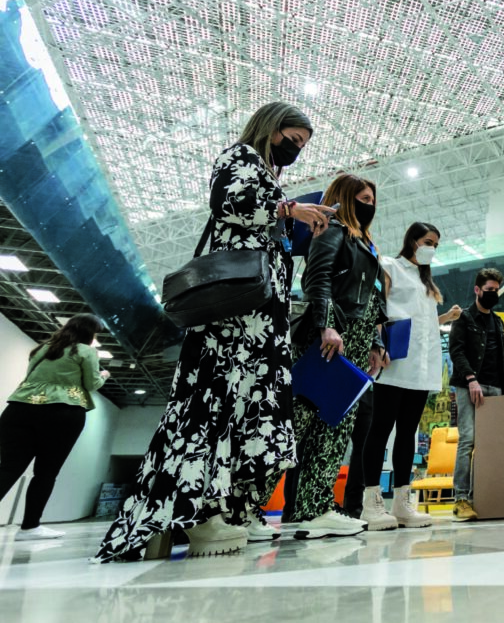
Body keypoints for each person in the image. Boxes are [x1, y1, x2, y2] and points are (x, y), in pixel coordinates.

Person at [95, 102, 335, 562]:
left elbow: (263, 227)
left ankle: (221, 509)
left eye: (302, 146)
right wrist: (288, 209)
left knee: (242, 408)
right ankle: (198, 512)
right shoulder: (239, 157)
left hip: (260, 317)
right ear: (271, 128)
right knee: (218, 403)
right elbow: (228, 204)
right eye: (293, 140)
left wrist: (294, 223)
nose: (296, 150)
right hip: (235, 315)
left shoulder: (267, 174)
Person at [285, 173, 388, 539]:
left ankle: (315, 508)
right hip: (330, 339)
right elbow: (317, 279)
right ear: (345, 198)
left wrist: (376, 341)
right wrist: (327, 324)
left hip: (356, 343)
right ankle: (243, 507)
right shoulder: (333, 231)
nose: (370, 205)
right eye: (363, 198)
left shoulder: (366, 244)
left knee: (335, 428)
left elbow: (372, 298)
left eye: (373, 200)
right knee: (296, 423)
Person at [360, 222, 463, 530]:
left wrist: (445, 318)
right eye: (428, 242)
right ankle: (371, 503)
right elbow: (377, 308)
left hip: (422, 367)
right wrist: (376, 343)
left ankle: (403, 503)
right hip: (394, 363)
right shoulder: (389, 266)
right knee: (380, 428)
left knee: (408, 433)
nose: (432, 248)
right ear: (413, 241)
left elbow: (423, 323)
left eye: (436, 245)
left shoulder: (426, 281)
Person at [0, 314, 109, 541]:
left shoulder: (43, 348)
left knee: (8, 468)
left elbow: (30, 377)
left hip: (19, 408)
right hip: (63, 412)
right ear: (89, 332)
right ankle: (29, 527)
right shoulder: (86, 351)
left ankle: (30, 527)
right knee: (46, 472)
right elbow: (91, 384)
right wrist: (104, 375)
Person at [448, 268, 504, 521]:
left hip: (496, 387)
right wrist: (471, 379)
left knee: (489, 443)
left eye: (496, 290)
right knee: (468, 440)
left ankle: (482, 495)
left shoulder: (498, 322)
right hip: (469, 386)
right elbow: (456, 352)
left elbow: (503, 358)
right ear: (477, 290)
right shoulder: (464, 318)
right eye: (489, 290)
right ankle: (461, 499)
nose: (493, 294)